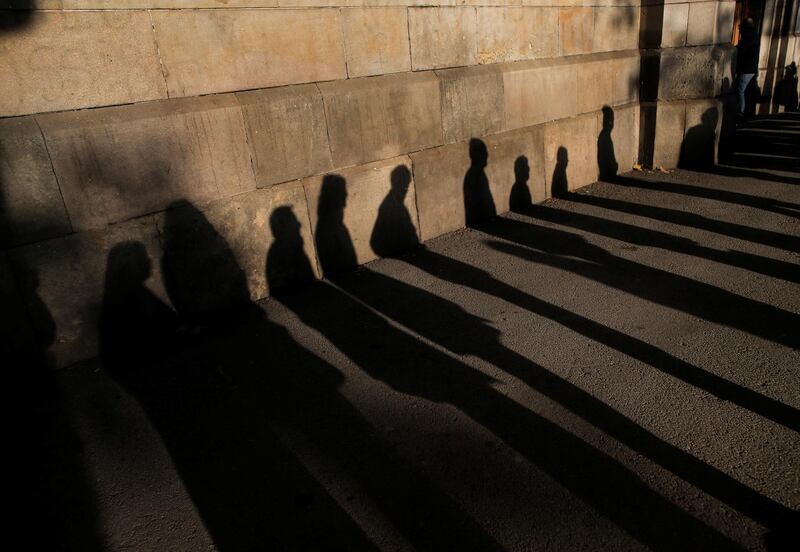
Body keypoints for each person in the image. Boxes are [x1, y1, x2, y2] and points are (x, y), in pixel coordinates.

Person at [735, 18, 760, 119]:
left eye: (741, 28)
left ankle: (741, 112)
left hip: (748, 68)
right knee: (746, 91)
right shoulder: (753, 35)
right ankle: (747, 112)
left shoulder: (749, 36)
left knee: (740, 89)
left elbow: (742, 48)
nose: (740, 30)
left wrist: (733, 49)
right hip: (750, 68)